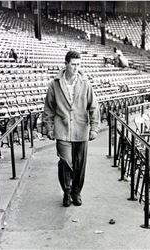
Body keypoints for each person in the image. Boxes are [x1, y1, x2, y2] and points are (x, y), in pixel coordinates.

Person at [43, 51, 100, 207]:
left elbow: (94, 107)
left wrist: (94, 128)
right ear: (66, 64)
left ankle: (76, 193)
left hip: (81, 129)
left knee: (80, 164)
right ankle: (67, 192)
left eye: (78, 64)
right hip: (62, 129)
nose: (76, 68)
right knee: (65, 162)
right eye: (73, 64)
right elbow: (48, 108)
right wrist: (49, 128)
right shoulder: (54, 84)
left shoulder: (86, 84)